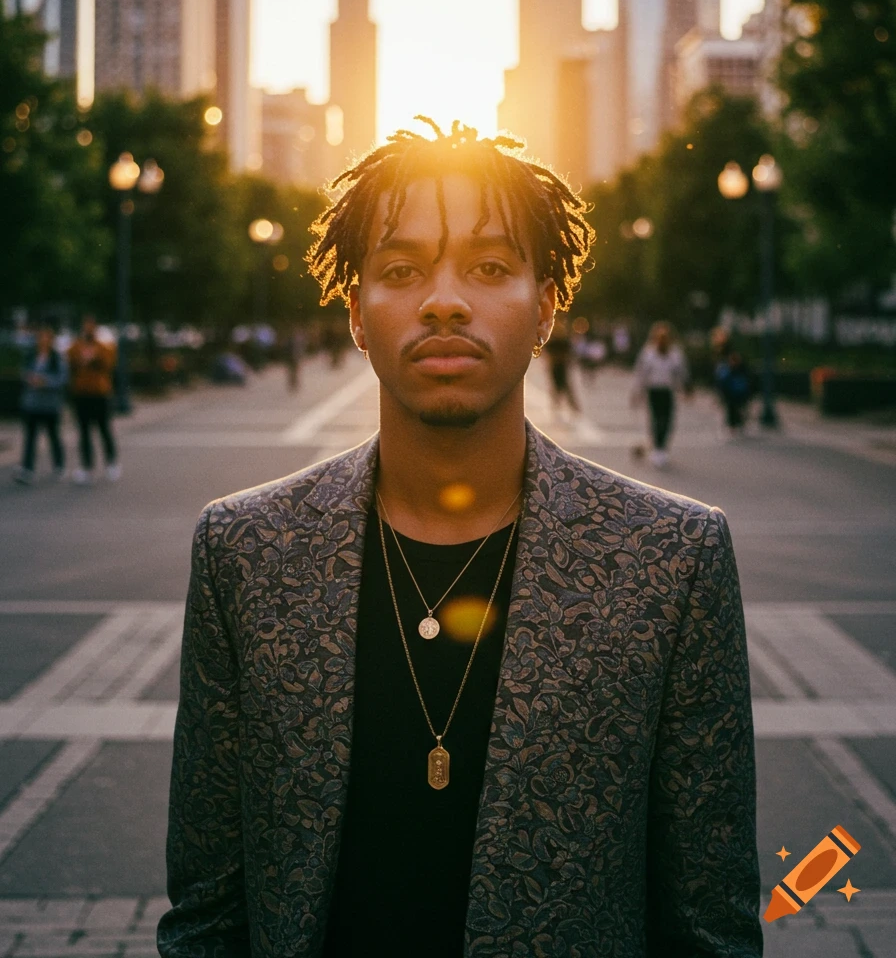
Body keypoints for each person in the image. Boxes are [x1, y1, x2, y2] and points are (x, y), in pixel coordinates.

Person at [159, 118, 761, 958]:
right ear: (358, 314)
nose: (445, 299)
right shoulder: (246, 551)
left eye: (488, 267)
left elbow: (712, 924)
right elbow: (207, 912)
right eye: (402, 270)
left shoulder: (672, 558)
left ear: (546, 306)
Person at [67, 316, 120, 484]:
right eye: (85, 327)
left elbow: (109, 363)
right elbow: (69, 361)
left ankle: (111, 463)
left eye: (91, 326)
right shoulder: (76, 347)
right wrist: (81, 358)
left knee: (104, 429)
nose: (88, 330)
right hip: (82, 394)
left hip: (99, 394)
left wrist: (94, 357)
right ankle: (86, 467)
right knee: (84, 432)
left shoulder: (102, 347)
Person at [632, 321, 690, 469]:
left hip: (667, 391)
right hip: (654, 391)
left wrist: (686, 387)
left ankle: (662, 447)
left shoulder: (675, 354)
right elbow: (641, 373)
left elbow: (681, 372)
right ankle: (657, 449)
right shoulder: (649, 353)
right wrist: (637, 391)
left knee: (667, 420)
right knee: (656, 420)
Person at [16, 324, 67, 484]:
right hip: (32, 403)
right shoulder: (32, 356)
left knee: (53, 436)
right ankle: (27, 468)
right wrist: (29, 378)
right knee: (30, 437)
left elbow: (62, 379)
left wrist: (44, 381)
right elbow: (24, 372)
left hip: (50, 405)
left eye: (46, 337)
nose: (43, 341)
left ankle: (59, 464)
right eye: (41, 337)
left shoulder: (57, 358)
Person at [543, 312, 581, 421]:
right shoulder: (555, 338)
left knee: (566, 387)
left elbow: (568, 353)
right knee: (558, 387)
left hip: (561, 365)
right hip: (556, 366)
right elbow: (548, 353)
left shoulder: (562, 338)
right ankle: (558, 408)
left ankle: (572, 408)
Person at [716, 349, 754, 438]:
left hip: (739, 394)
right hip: (733, 394)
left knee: (737, 409)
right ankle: (734, 425)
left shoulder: (740, 369)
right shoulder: (731, 370)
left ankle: (737, 424)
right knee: (732, 410)